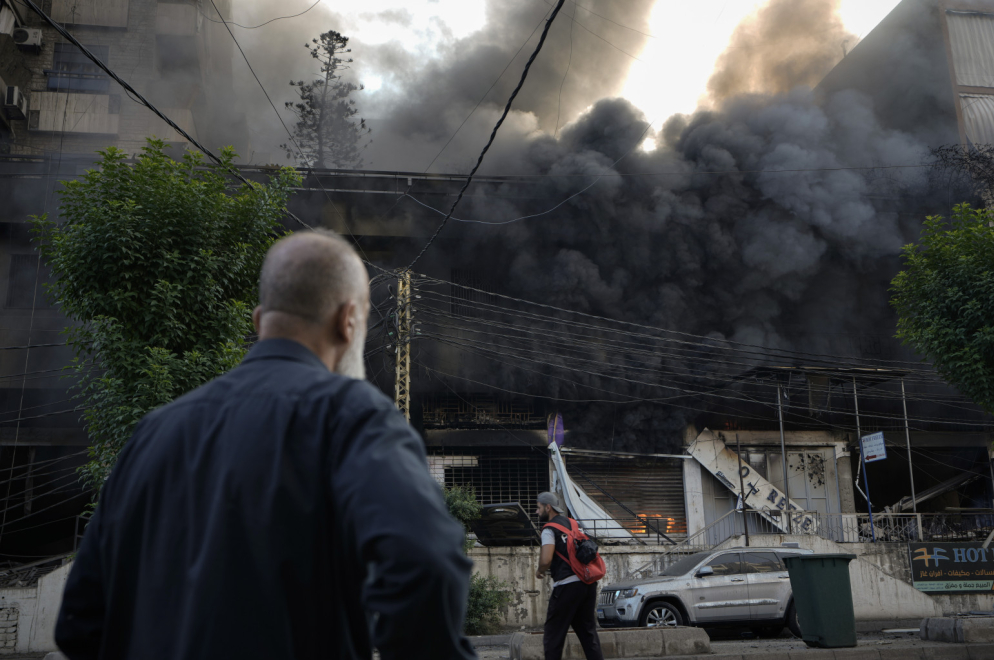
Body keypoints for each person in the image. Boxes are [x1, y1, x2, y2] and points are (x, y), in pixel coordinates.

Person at [55, 230, 477, 660]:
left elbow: (79, 622)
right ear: (348, 320)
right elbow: (425, 566)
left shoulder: (154, 432)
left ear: (259, 321)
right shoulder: (353, 418)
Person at [535, 492, 604, 660]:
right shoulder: (573, 524)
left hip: (567, 586)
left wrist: (540, 570)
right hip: (587, 584)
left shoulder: (549, 529)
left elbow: (546, 559)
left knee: (553, 635)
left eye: (538, 508)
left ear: (548, 507)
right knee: (588, 634)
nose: (537, 512)